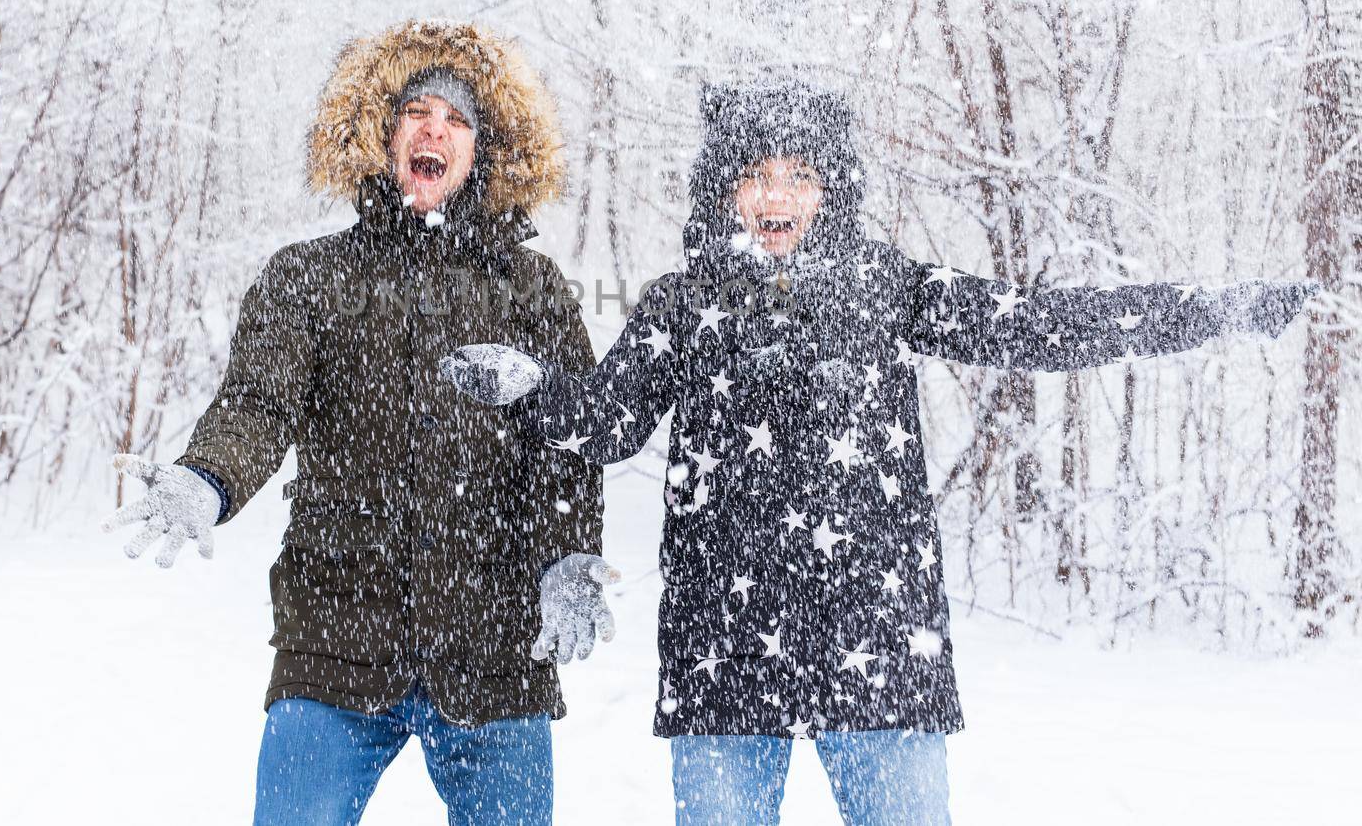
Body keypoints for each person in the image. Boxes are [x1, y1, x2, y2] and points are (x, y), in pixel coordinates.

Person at [439, 81, 1315, 826]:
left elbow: (1044, 327)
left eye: (800, 175)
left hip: (879, 645)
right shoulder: (682, 303)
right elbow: (606, 424)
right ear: (723, 190)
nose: (775, 195)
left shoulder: (885, 287)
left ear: (833, 189)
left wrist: (1215, 310)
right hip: (723, 651)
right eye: (754, 174)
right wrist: (529, 387)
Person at [105, 19, 619, 826]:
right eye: (417, 111)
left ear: (481, 152)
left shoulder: (535, 288)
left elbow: (566, 447)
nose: (434, 129)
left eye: (457, 121)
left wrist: (567, 558)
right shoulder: (309, 277)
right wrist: (208, 477)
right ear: (382, 135)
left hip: (493, 648)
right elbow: (257, 401)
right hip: (338, 638)